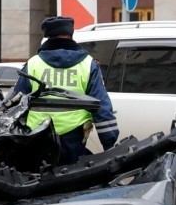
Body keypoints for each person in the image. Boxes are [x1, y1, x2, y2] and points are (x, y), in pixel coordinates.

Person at [16, 16, 119, 165]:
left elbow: (16, 104)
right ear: (71, 35)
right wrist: (109, 144)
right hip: (73, 139)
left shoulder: (33, 64)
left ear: (47, 37)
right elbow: (102, 107)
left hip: (37, 138)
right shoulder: (88, 64)